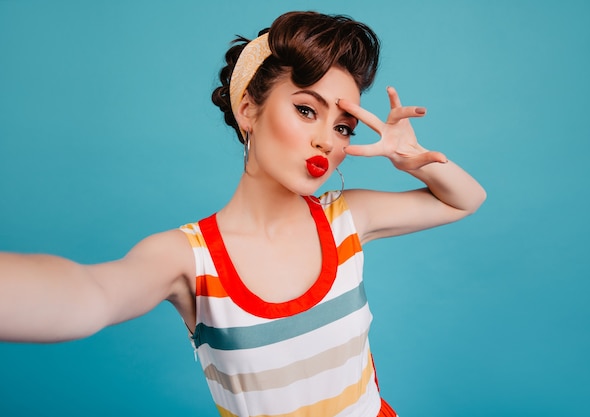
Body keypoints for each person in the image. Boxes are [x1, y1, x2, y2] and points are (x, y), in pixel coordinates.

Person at [0, 10, 486, 417]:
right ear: (248, 109)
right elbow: (89, 296)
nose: (327, 140)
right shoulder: (187, 258)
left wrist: (409, 159)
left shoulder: (347, 218)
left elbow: (465, 199)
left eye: (344, 126)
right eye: (305, 110)